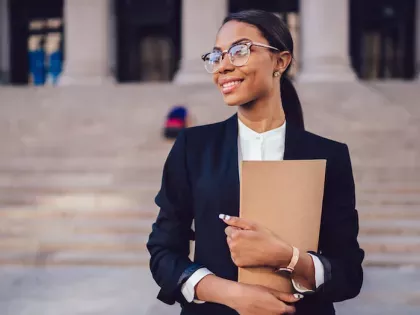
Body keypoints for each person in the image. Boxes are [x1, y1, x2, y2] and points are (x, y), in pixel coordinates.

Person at [147, 9, 364, 315]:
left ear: (281, 61)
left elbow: (348, 274)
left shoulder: (329, 155)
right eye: (217, 55)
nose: (223, 66)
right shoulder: (192, 148)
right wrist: (232, 294)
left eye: (239, 51)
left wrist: (288, 258)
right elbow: (163, 253)